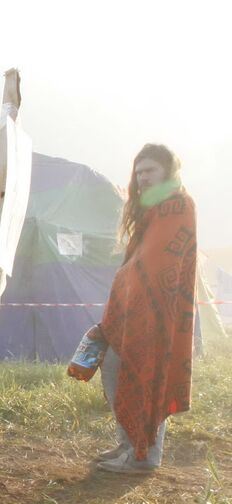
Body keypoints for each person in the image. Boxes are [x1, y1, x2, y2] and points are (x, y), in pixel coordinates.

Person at [91, 144, 198, 474]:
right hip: (135, 310)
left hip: (159, 313)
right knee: (113, 367)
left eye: (149, 170)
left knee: (148, 378)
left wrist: (131, 290)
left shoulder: (178, 204)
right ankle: (130, 444)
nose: (142, 178)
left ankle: (145, 456)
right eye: (138, 173)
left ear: (168, 170)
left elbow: (155, 264)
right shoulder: (150, 210)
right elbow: (137, 263)